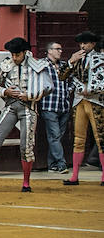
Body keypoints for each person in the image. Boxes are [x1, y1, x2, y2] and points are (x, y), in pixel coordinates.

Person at [0, 39, 48, 191]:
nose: (14, 58)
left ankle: (26, 183)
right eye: (12, 54)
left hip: (28, 109)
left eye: (17, 54)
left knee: (26, 146)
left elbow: (46, 87)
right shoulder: (6, 64)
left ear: (25, 52)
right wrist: (4, 91)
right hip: (11, 107)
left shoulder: (36, 65)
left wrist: (30, 95)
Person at [64, 31, 104, 186]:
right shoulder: (76, 59)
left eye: (85, 43)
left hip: (97, 102)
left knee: (101, 140)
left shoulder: (101, 59)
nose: (82, 46)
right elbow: (62, 76)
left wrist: (93, 90)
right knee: (78, 140)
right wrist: (70, 62)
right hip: (79, 102)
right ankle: (74, 176)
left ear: (93, 44)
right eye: (81, 43)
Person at [40, 41, 74, 174]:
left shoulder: (64, 65)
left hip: (63, 105)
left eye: (61, 49)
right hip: (49, 105)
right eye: (57, 49)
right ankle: (61, 164)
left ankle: (52, 165)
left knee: (57, 137)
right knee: (54, 136)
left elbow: (73, 81)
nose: (60, 51)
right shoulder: (42, 65)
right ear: (49, 51)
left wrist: (68, 90)